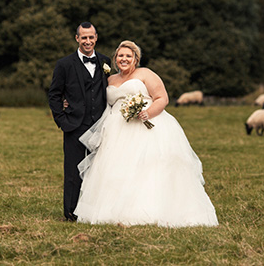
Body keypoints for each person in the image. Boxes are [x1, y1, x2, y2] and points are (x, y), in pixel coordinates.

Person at [73, 40, 218, 227]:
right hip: (116, 129)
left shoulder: (145, 74)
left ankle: (147, 210)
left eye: (128, 56)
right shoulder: (110, 79)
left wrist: (147, 113)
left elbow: (162, 98)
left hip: (145, 123)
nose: (124, 59)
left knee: (145, 167)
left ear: (136, 59)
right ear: (116, 59)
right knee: (117, 169)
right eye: (120, 55)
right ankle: (116, 211)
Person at [47, 22, 112, 221]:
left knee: (99, 170)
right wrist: (62, 120)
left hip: (100, 125)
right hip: (74, 125)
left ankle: (94, 211)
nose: (87, 41)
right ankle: (71, 213)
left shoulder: (105, 61)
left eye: (91, 37)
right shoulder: (64, 64)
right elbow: (54, 94)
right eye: (83, 37)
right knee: (73, 171)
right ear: (77, 39)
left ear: (96, 38)